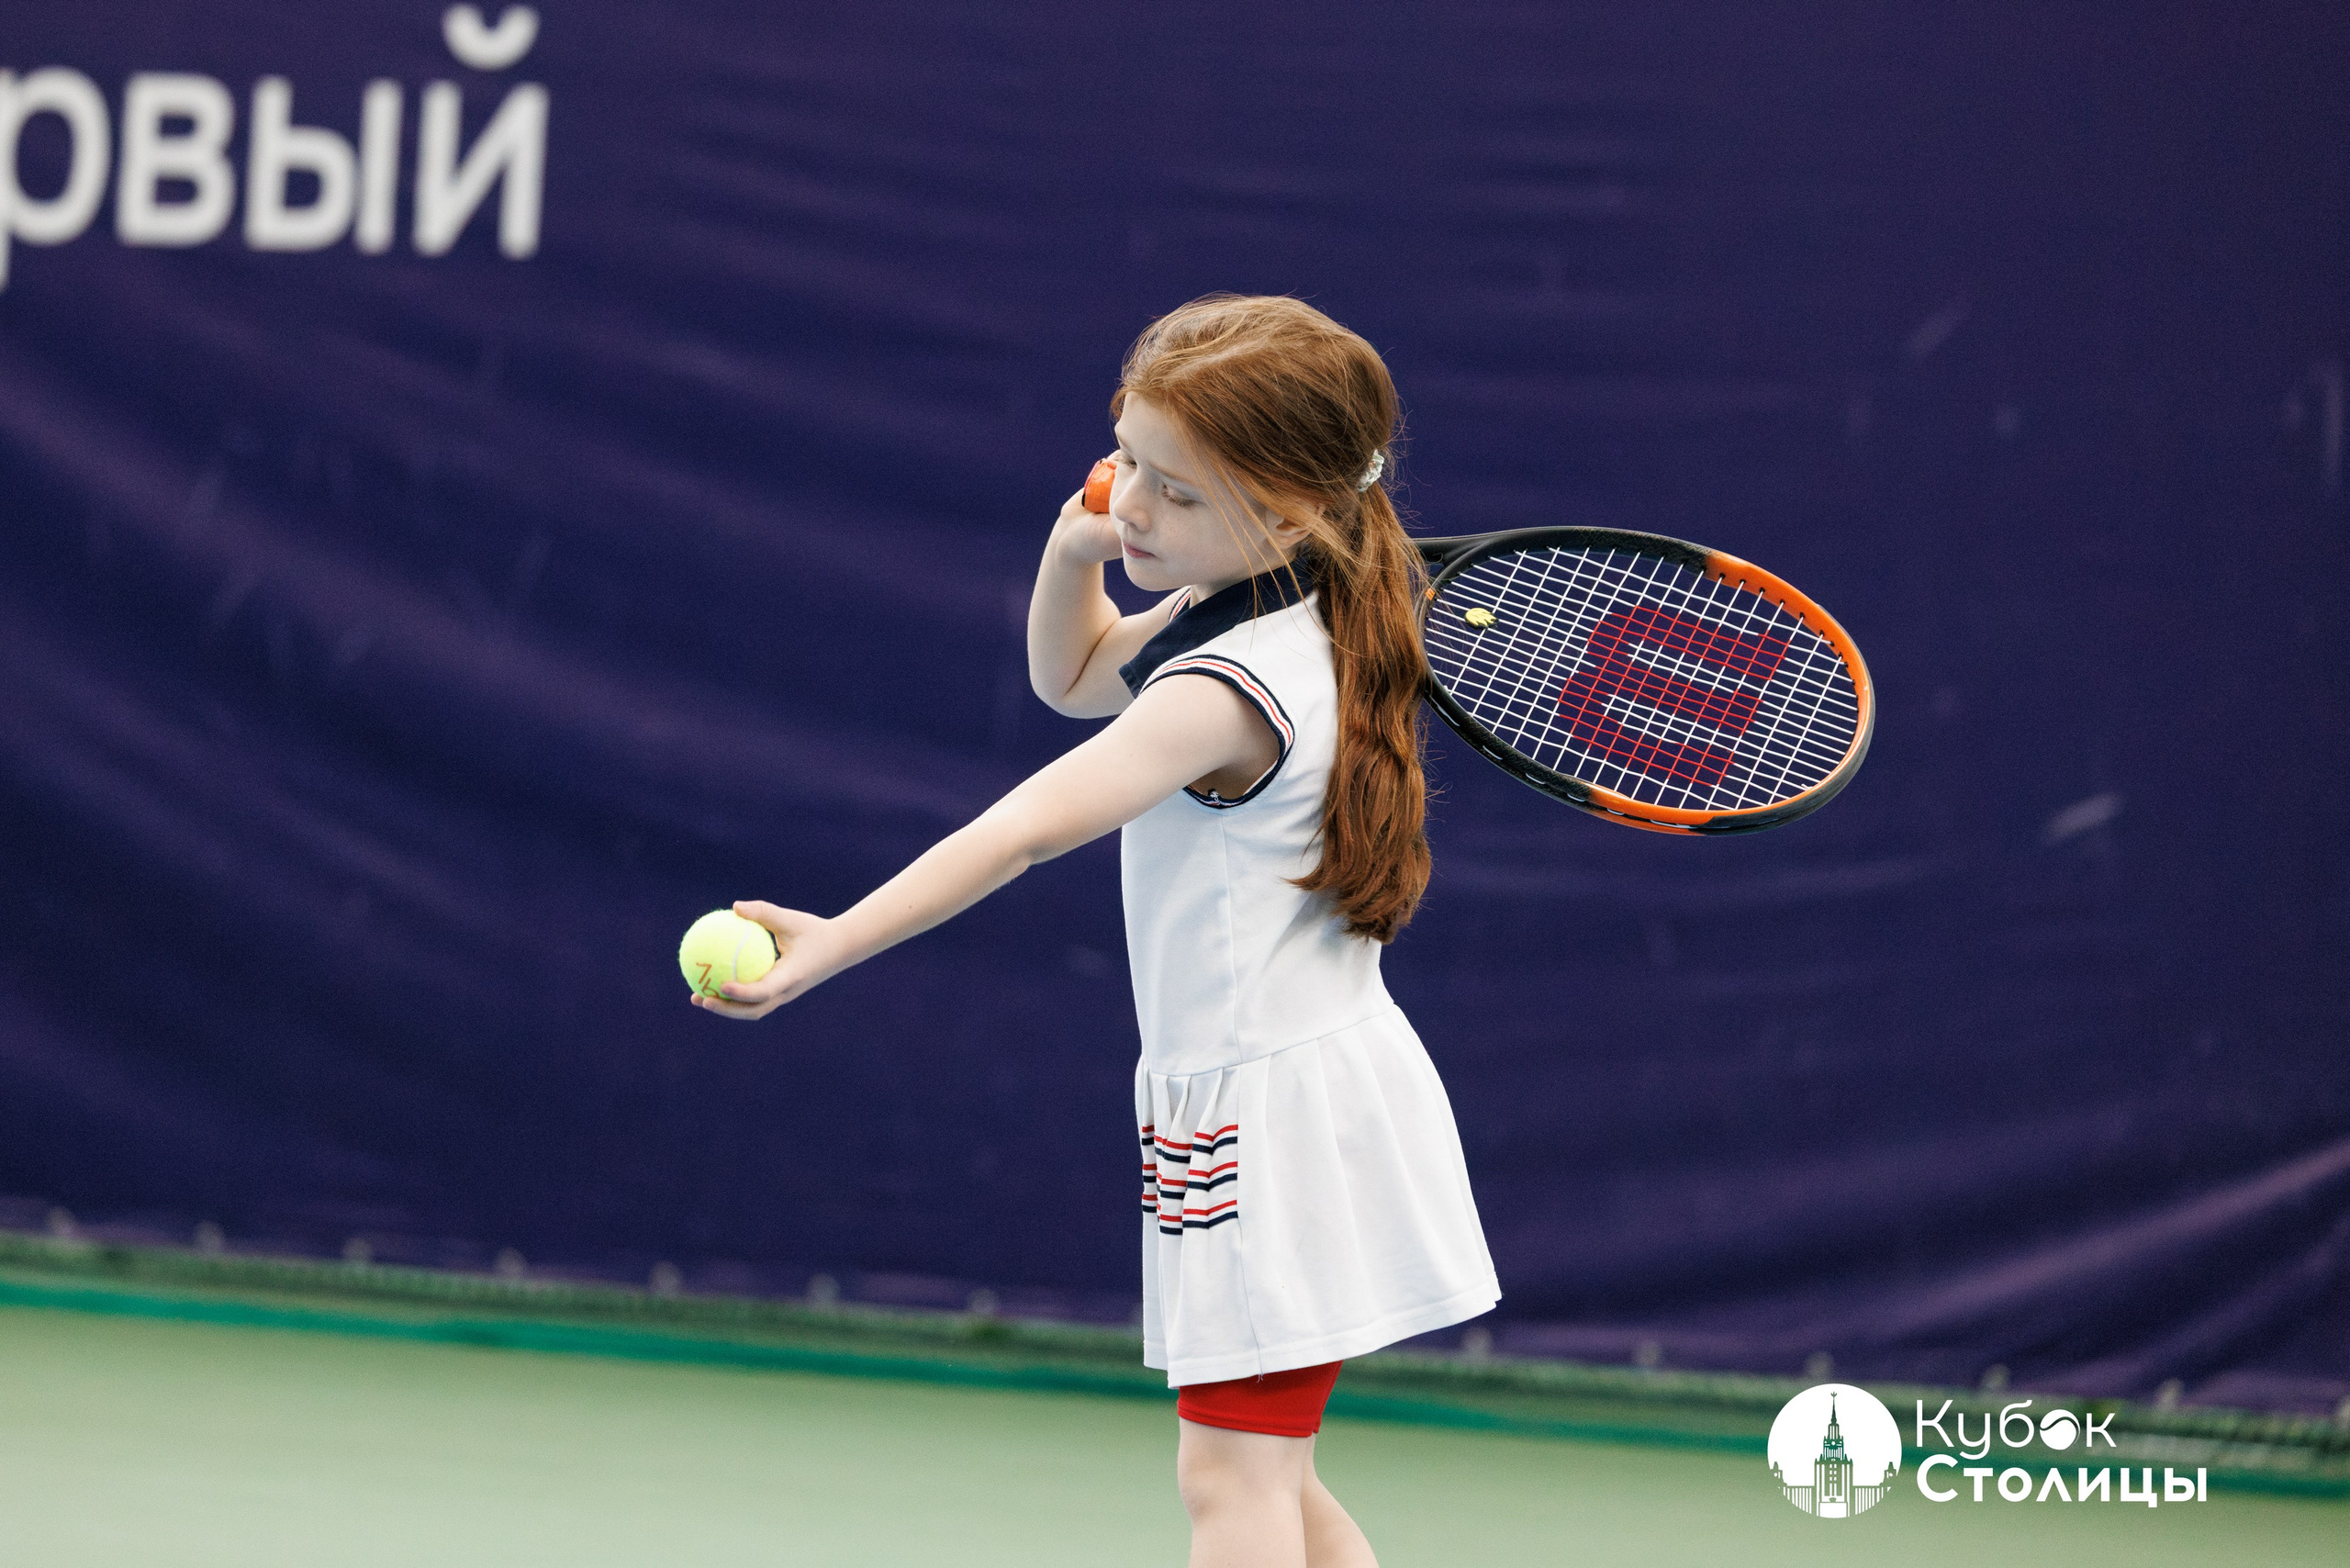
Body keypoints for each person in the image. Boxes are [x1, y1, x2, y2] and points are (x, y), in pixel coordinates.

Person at [698, 294, 1500, 1568]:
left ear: (1290, 509)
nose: (1135, 506)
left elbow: (1023, 828)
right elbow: (1074, 679)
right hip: (1280, 1099)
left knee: (1231, 1483)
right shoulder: (1266, 598)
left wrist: (832, 942)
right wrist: (1078, 554)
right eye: (1128, 460)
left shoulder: (1225, 689)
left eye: (1177, 493)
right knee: (1274, 1480)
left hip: (1270, 1126)